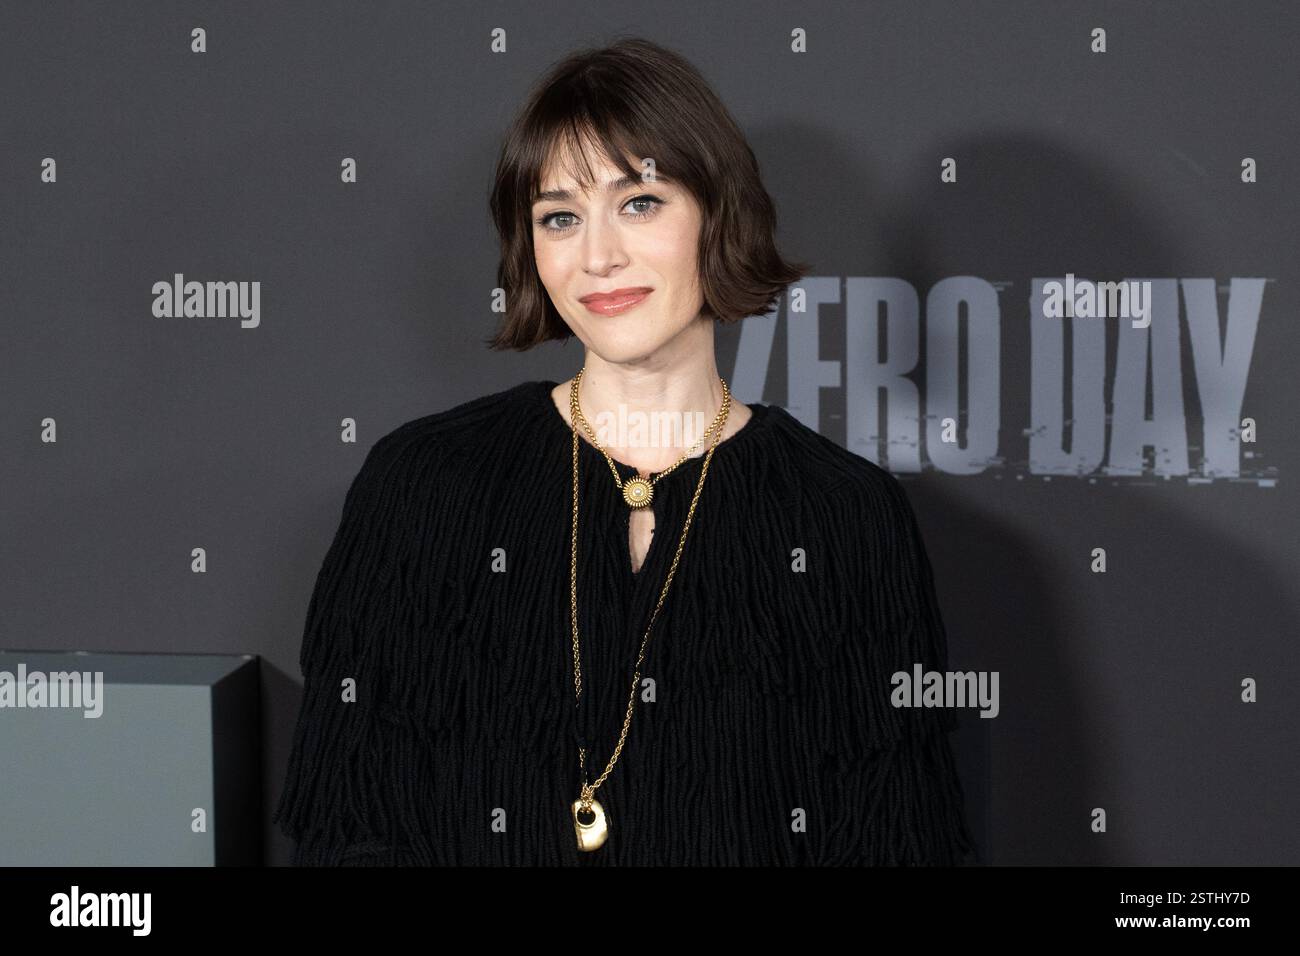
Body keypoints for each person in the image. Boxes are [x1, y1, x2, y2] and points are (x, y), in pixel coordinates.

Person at [273, 35, 975, 866]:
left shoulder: (844, 514)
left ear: (719, 213)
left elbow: (897, 842)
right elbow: (354, 826)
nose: (597, 255)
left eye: (639, 201)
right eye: (559, 216)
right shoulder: (425, 485)